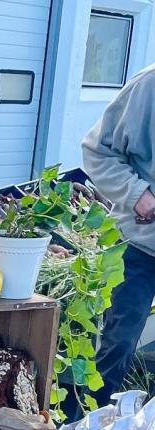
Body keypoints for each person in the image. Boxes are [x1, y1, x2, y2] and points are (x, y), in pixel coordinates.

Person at [81, 63, 155, 406]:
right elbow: (98, 151)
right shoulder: (149, 85)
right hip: (140, 245)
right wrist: (137, 194)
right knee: (119, 344)